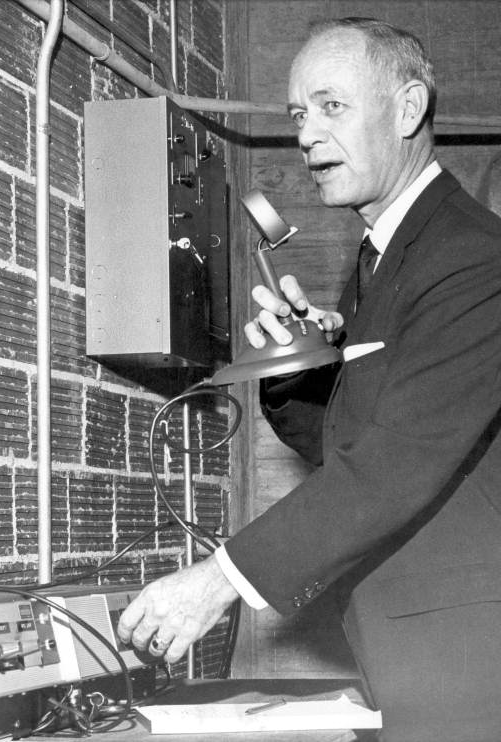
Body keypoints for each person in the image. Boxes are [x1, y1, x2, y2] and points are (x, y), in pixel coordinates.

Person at [118, 17, 501, 742]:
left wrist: (219, 580)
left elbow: (390, 469)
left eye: (331, 106)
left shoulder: (470, 259)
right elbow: (346, 440)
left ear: (409, 109)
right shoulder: (386, 257)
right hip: (414, 645)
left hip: (471, 659)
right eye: (298, 113)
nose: (305, 134)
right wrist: (300, 368)